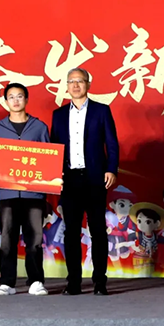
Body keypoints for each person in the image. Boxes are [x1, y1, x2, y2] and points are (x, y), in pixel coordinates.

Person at [50, 68, 119, 296]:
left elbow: (112, 143)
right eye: (71, 81)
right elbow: (54, 147)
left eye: (80, 81)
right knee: (71, 232)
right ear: (67, 86)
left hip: (95, 178)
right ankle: (74, 283)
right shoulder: (59, 114)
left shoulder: (101, 110)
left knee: (98, 230)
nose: (75, 85)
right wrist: (54, 175)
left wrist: (111, 169)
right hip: (69, 179)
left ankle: (100, 282)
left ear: (88, 84)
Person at [0, 82, 50, 296]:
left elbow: (48, 159)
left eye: (20, 96)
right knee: (7, 239)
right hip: (7, 192)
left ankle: (36, 281)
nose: (15, 100)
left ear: (26, 99)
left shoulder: (39, 127)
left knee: (35, 240)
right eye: (11, 97)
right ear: (6, 101)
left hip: (34, 193)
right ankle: (7, 282)